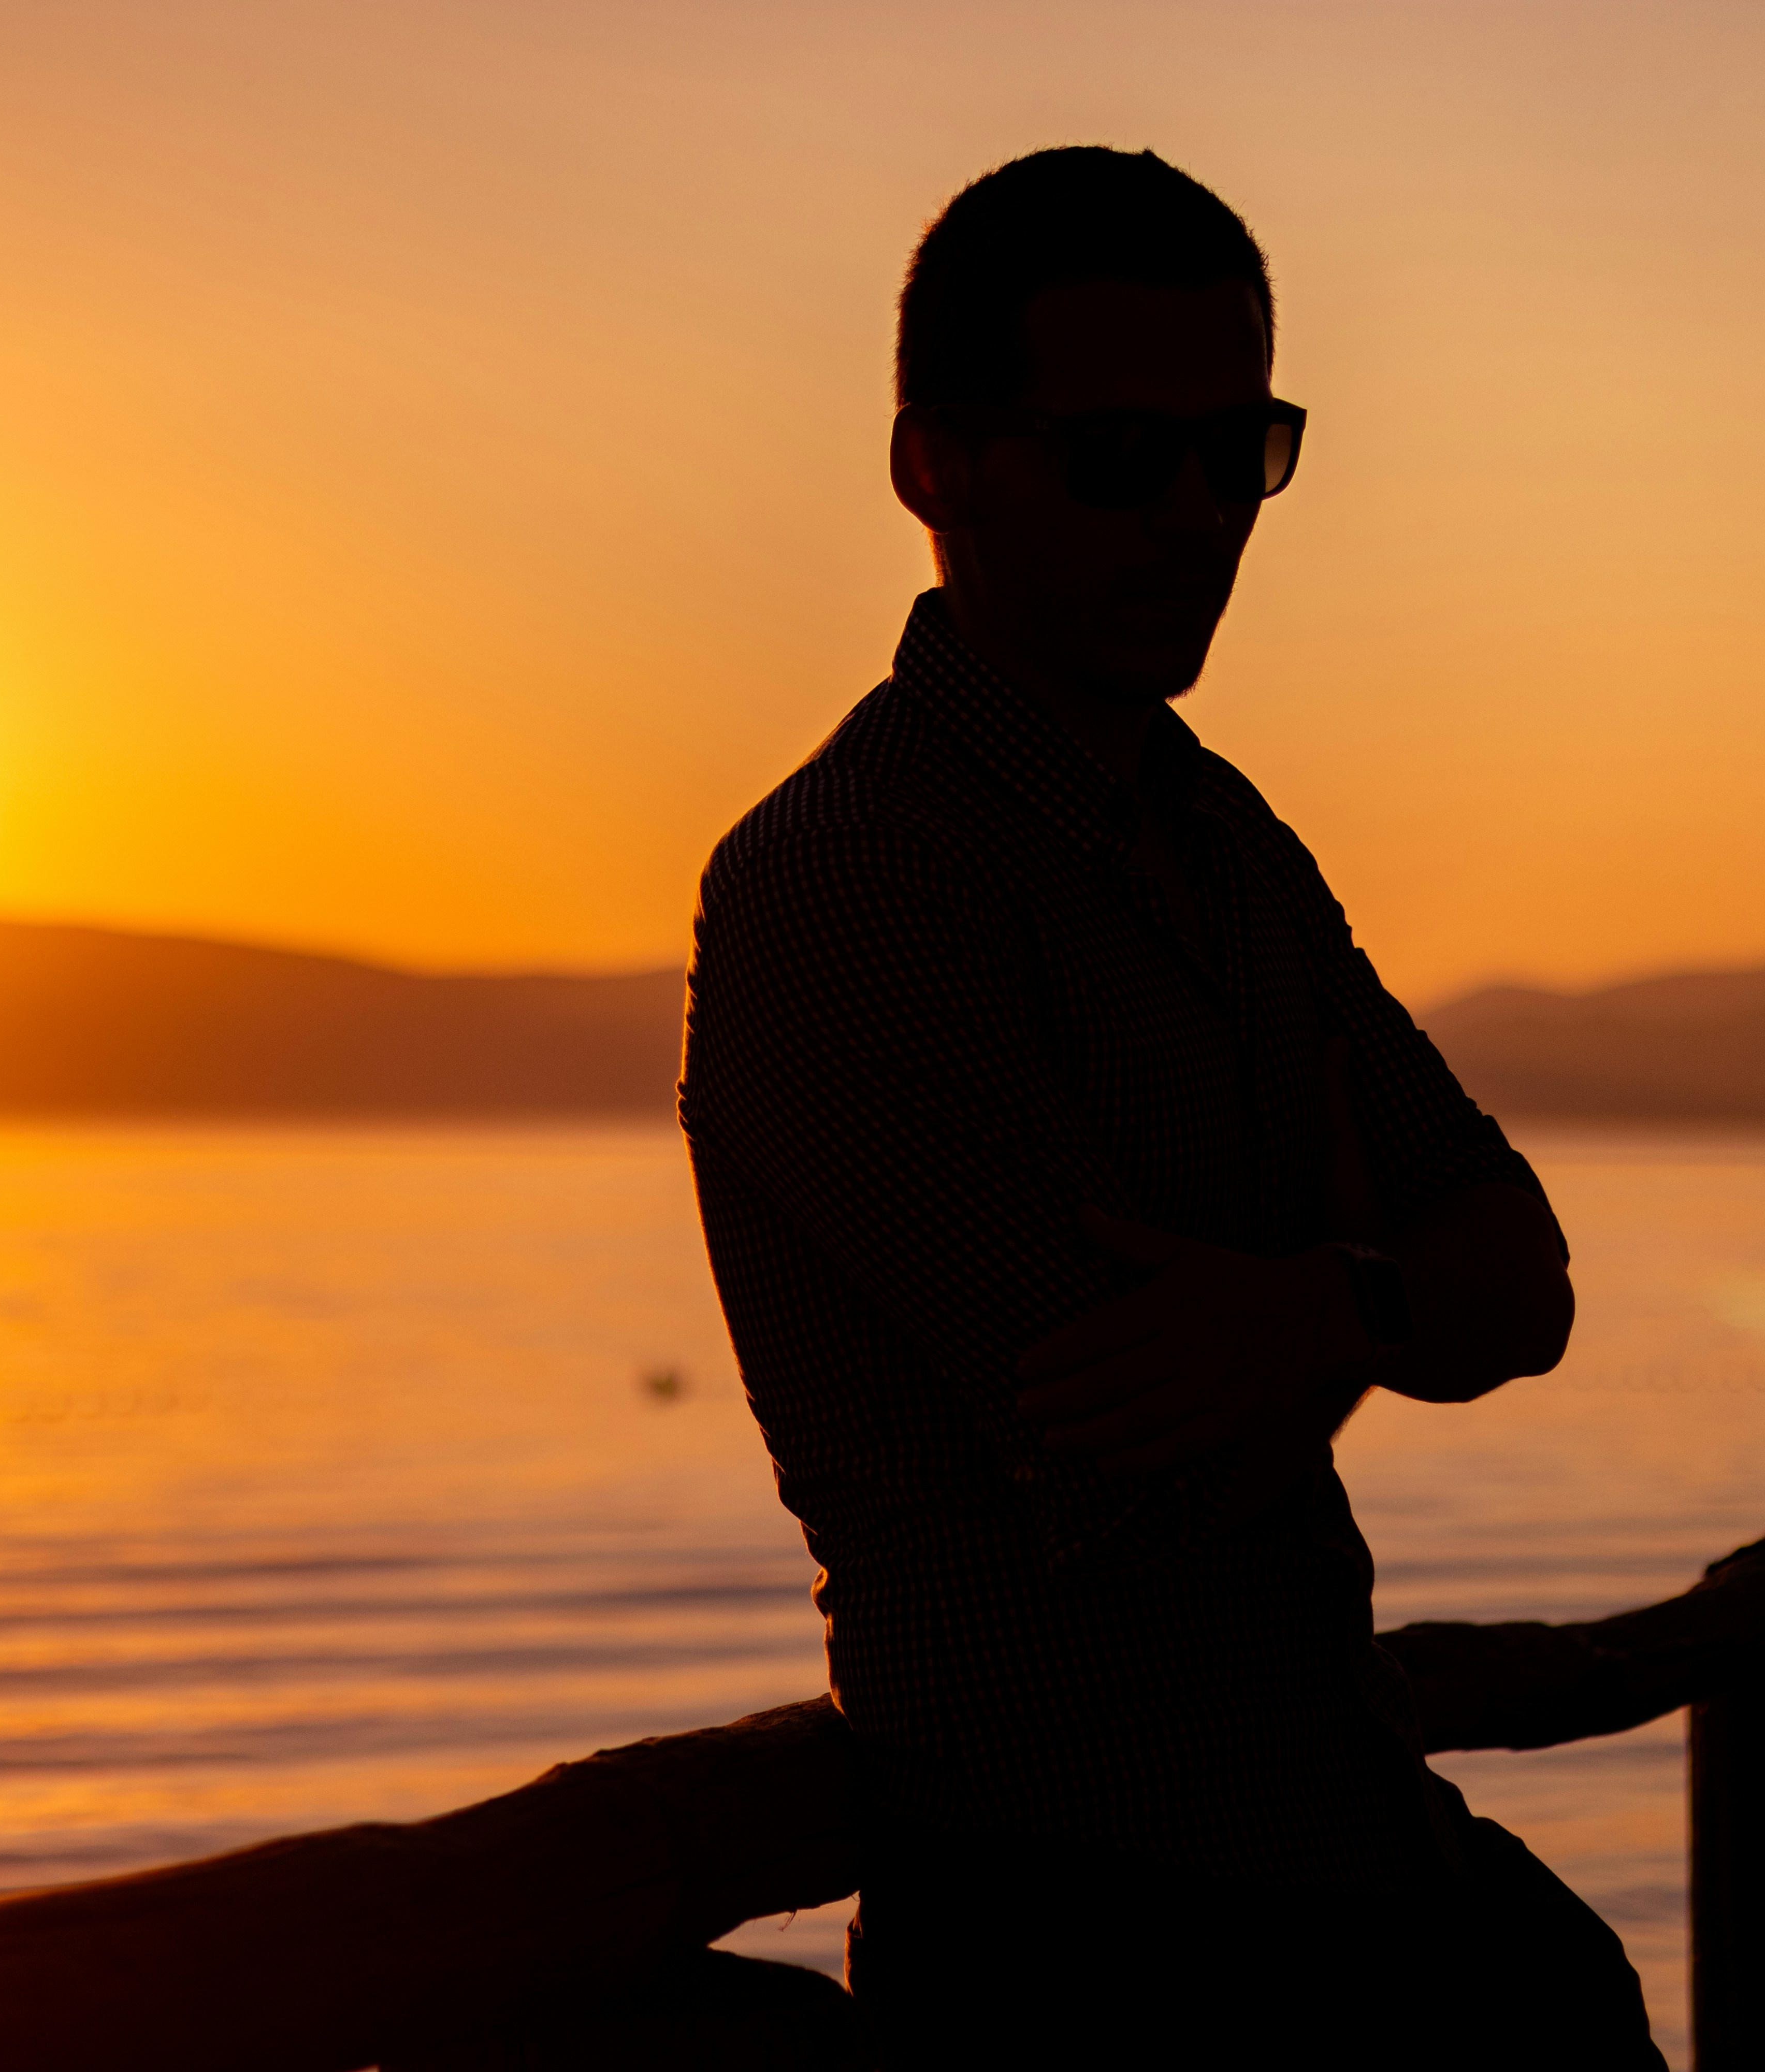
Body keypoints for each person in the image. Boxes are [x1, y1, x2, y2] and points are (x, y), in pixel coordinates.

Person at [677, 147, 1665, 2067]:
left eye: (1246, 452)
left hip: (1351, 1867)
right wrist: (1388, 1282)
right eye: (1123, 453)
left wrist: (1326, 1307)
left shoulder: (1227, 848)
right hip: (1086, 1928)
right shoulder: (844, 881)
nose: (1197, 515)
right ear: (932, 467)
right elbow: (1116, 1411)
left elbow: (1522, 1276)